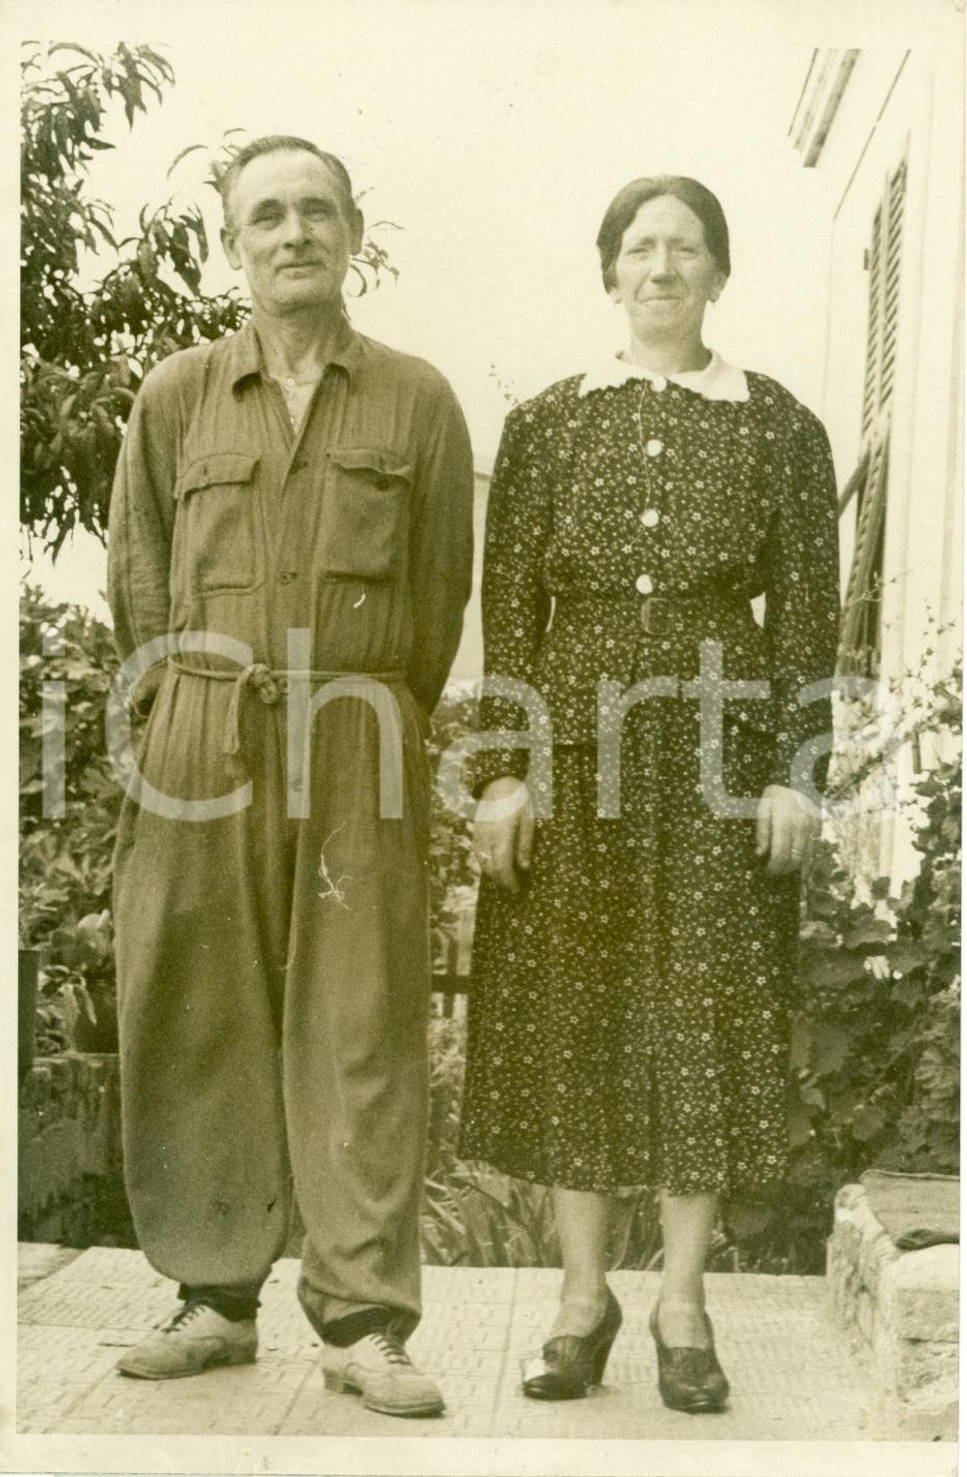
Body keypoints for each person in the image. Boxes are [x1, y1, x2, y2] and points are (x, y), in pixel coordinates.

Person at [106, 135, 473, 1417]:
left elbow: (436, 605)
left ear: (355, 230)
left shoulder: (417, 400)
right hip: (203, 734)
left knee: (362, 1021)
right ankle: (212, 1300)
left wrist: (366, 711)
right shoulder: (176, 399)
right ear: (232, 243)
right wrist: (176, 715)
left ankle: (365, 1320)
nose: (294, 232)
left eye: (318, 209)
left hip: (359, 729)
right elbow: (140, 581)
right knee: (198, 1006)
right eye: (267, 214)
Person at [460, 176, 839, 1409]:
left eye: (686, 248)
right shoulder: (551, 424)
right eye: (639, 246)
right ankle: (581, 1300)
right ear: (609, 273)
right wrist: (505, 770)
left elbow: (811, 620)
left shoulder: (779, 427)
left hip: (719, 759)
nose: (662, 266)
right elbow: (507, 606)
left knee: (702, 1012)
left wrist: (790, 770)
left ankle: (681, 1301)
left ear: (719, 275)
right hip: (573, 748)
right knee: (573, 1007)